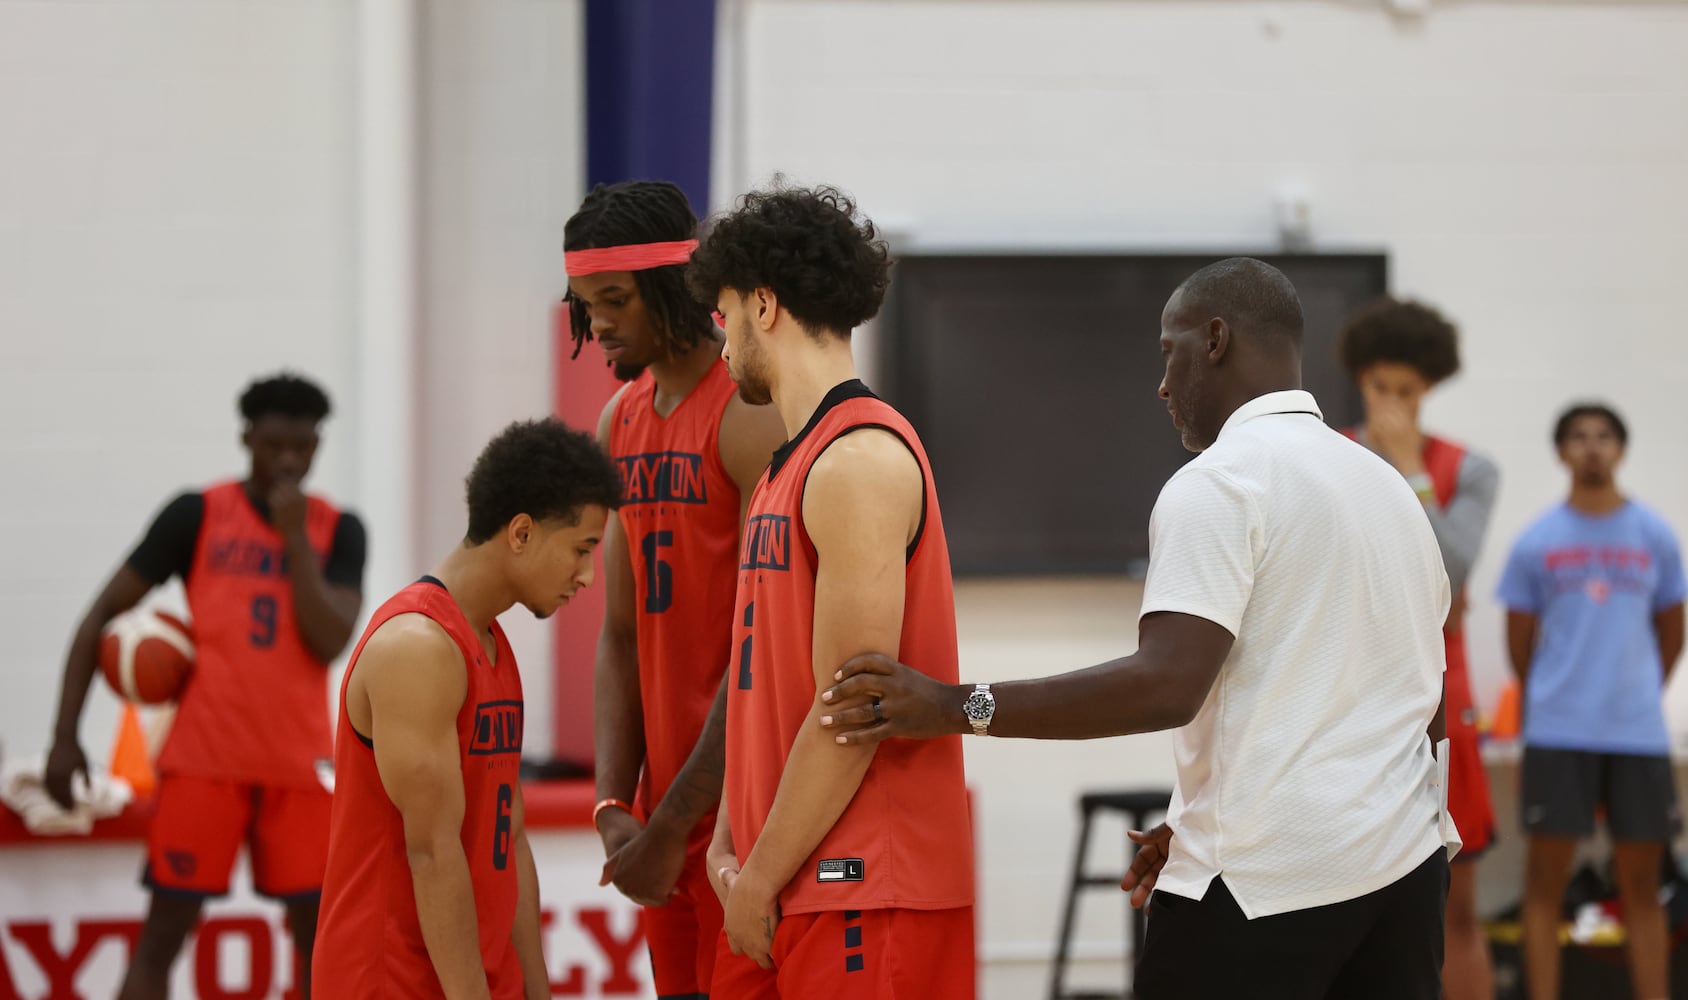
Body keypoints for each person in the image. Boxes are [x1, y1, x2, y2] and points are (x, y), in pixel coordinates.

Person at [821, 257, 1455, 999]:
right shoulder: (1386, 485)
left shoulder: (1220, 482)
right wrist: (1209, 818)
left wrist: (952, 705)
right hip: (1405, 872)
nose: (1161, 385)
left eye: (1168, 351)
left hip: (1263, 883)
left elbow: (1164, 686)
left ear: (1214, 338)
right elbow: (1424, 701)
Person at [685, 184, 975, 998]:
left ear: (764, 306)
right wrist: (729, 840)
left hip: (861, 886)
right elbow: (765, 685)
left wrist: (757, 874)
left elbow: (852, 712)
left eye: (725, 313)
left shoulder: (858, 462)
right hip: (779, 878)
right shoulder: (787, 465)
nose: (722, 342)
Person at [43, 372, 365, 1000]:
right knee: (161, 938)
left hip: (301, 766)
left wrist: (294, 536)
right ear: (247, 437)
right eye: (275, 445)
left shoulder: (339, 529)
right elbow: (97, 617)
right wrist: (64, 736)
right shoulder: (196, 514)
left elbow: (331, 639)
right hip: (204, 760)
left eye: (304, 448)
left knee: (320, 946)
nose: (289, 461)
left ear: (319, 446)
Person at [564, 180, 786, 999]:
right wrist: (614, 802)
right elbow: (619, 635)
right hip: (668, 810)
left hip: (744, 807)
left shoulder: (749, 415)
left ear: (673, 286)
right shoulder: (618, 421)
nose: (597, 326)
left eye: (614, 300)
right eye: (585, 306)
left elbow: (766, 644)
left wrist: (675, 819)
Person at [312, 418, 622, 999]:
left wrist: (535, 989)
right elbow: (431, 851)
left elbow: (511, 836)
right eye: (581, 550)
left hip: (470, 973)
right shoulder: (417, 648)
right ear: (522, 532)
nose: (586, 576)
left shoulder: (491, 644)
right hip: (390, 980)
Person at [1338, 296, 1499, 1000]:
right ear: (1360, 382)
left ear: (1428, 388)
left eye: (1406, 391)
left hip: (1441, 697)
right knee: (1348, 901)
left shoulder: (1470, 469)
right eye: (1381, 389)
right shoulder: (1328, 457)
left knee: (1453, 904)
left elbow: (1452, 573)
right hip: (1349, 693)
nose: (1392, 404)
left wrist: (1408, 465)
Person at [1496, 402, 1685, 1000]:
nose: (1592, 445)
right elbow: (1519, 644)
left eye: (1604, 436)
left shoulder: (1654, 534)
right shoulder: (1537, 540)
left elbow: (1671, 630)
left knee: (1643, 885)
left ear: (1621, 450)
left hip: (1637, 734)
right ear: (1561, 453)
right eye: (1578, 436)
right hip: (1557, 732)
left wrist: (1632, 690)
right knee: (1544, 883)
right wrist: (1557, 695)